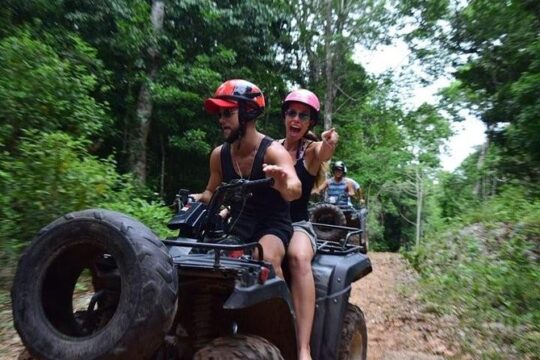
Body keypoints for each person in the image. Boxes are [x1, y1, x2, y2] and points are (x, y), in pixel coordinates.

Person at [191, 79, 301, 279]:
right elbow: (211, 192)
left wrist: (283, 184)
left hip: (272, 226)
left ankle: (281, 310)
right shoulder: (219, 155)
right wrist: (196, 198)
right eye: (219, 114)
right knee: (197, 259)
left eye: (227, 113)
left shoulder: (273, 152)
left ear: (248, 112)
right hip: (238, 226)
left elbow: (295, 188)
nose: (221, 120)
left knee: (266, 258)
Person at [279, 89, 338, 360]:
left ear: (310, 123)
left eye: (303, 115)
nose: (296, 119)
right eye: (291, 112)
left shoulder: (310, 151)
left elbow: (323, 153)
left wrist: (329, 143)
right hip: (268, 223)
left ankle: (303, 348)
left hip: (298, 224)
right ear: (285, 116)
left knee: (299, 257)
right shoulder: (272, 148)